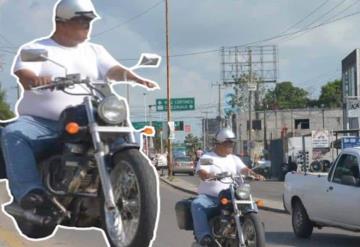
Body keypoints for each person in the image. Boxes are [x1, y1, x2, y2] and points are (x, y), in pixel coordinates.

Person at [1, 0, 157, 211]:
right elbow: (24, 74)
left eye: (89, 20)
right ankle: (30, 193)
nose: (87, 25)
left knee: (123, 130)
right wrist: (36, 79)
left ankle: (125, 183)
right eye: (81, 20)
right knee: (14, 133)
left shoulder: (95, 51)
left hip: (87, 115)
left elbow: (112, 69)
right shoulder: (36, 48)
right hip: (41, 123)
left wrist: (132, 77)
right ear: (61, 22)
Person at [191, 128, 265, 246]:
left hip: (233, 194)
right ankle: (205, 237)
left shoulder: (234, 158)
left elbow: (243, 169)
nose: (231, 146)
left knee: (251, 204)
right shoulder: (208, 157)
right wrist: (208, 175)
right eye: (228, 143)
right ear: (219, 143)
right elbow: (201, 171)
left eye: (232, 143)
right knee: (197, 205)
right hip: (211, 197)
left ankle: (255, 228)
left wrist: (254, 174)